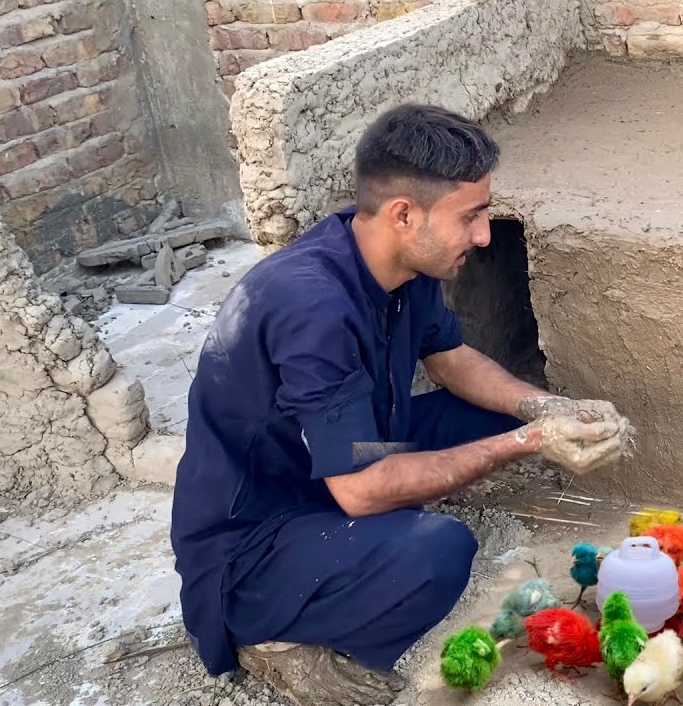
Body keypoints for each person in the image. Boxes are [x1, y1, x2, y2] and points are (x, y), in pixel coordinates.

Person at [169, 103, 631, 705]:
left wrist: (545, 411)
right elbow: (359, 491)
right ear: (404, 214)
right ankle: (270, 640)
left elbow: (450, 359)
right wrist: (526, 442)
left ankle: (388, 522)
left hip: (351, 452)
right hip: (258, 535)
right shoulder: (311, 307)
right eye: (470, 216)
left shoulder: (402, 262)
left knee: (503, 412)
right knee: (439, 550)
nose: (484, 235)